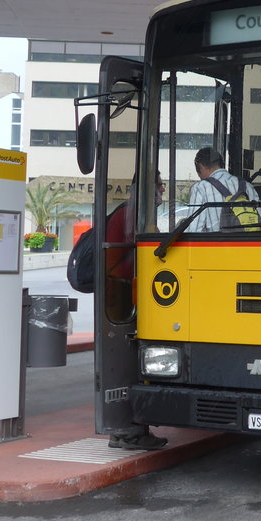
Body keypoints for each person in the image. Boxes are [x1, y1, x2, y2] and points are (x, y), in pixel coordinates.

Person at [106, 173, 168, 451]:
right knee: (132, 359)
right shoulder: (132, 214)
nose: (162, 190)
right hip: (123, 291)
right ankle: (129, 430)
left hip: (123, 289)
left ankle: (125, 430)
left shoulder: (128, 212)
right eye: (159, 185)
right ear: (143, 188)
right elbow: (140, 255)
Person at [187, 147, 261, 232]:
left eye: (198, 173)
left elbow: (193, 231)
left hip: (218, 240)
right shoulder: (248, 186)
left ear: (201, 167)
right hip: (251, 240)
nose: (199, 177)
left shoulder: (200, 188)